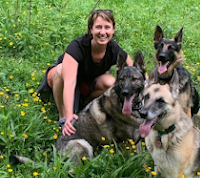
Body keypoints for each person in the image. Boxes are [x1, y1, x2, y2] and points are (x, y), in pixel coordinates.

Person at [37, 9, 133, 137]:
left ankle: (85, 102)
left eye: (107, 27)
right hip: (61, 80)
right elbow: (69, 83)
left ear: (113, 30)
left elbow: (135, 72)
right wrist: (70, 116)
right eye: (98, 27)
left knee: (111, 83)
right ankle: (63, 117)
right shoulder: (77, 46)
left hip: (87, 81)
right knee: (60, 70)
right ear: (91, 29)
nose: (103, 32)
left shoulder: (114, 49)